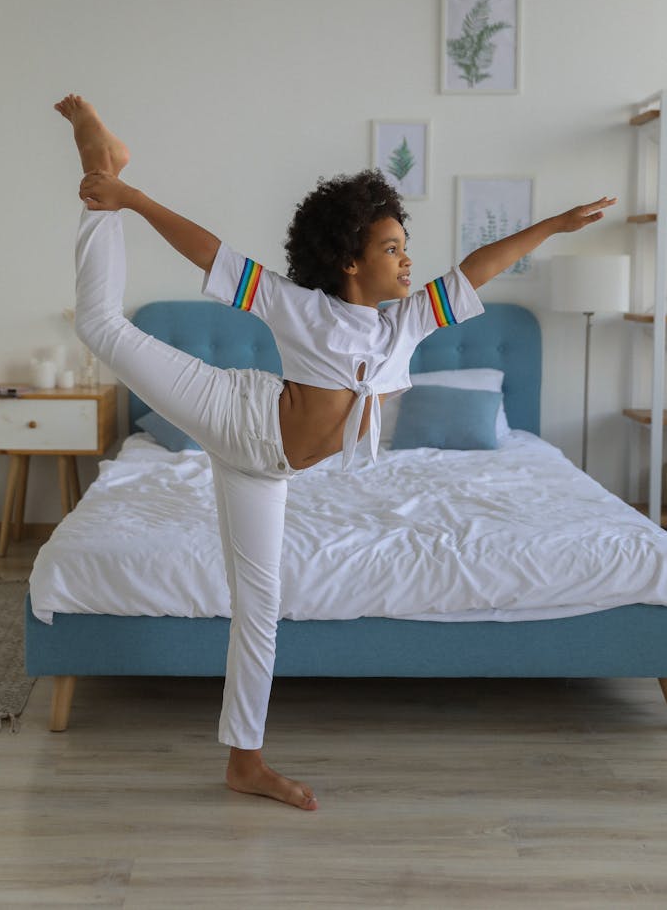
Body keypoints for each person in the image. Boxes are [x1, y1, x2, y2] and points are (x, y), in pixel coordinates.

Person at [55, 93, 615, 811]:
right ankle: (101, 168)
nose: (407, 259)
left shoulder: (406, 326)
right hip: (235, 413)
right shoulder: (301, 308)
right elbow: (209, 250)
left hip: (268, 467)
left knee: (261, 604)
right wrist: (128, 199)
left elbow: (479, 266)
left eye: (405, 247)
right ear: (349, 260)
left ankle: (244, 762)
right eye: (390, 248)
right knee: (100, 325)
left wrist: (553, 226)